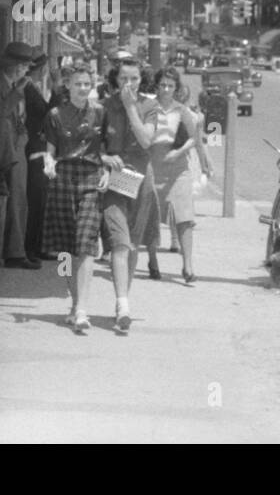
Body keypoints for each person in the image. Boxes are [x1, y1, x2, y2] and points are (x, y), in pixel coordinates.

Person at [43, 64, 110, 332]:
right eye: (78, 84)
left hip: (90, 176)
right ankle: (73, 302)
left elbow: (105, 146)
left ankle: (82, 308)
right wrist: (48, 163)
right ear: (68, 85)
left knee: (86, 242)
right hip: (63, 176)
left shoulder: (100, 113)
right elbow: (50, 149)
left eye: (87, 84)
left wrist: (105, 170)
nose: (83, 88)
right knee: (64, 247)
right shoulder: (55, 115)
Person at [98, 59, 160, 332]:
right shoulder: (104, 106)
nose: (129, 84)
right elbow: (92, 144)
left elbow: (147, 140)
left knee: (133, 244)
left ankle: (123, 299)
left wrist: (131, 107)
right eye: (124, 78)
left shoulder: (149, 106)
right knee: (119, 243)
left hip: (141, 180)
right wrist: (104, 157)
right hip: (114, 181)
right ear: (116, 79)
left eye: (134, 79)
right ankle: (123, 305)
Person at [148, 67, 201, 284]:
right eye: (163, 85)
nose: (166, 90)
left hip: (178, 167)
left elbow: (193, 138)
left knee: (185, 216)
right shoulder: (149, 108)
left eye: (171, 86)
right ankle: (152, 260)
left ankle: (187, 265)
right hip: (153, 165)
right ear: (157, 86)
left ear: (176, 88)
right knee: (150, 215)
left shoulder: (182, 111)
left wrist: (178, 152)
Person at [0, 41, 40, 270]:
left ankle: (17, 249)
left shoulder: (14, 83)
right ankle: (14, 253)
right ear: (14, 65)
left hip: (18, 145)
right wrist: (18, 92)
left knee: (21, 201)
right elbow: (0, 114)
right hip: (8, 150)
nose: (26, 70)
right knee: (16, 200)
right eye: (23, 65)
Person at [23, 52, 63, 262]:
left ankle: (38, 245)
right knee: (37, 199)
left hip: (41, 147)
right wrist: (57, 88)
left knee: (43, 199)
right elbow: (49, 114)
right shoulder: (29, 87)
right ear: (42, 69)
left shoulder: (33, 87)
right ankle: (32, 248)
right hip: (35, 149)